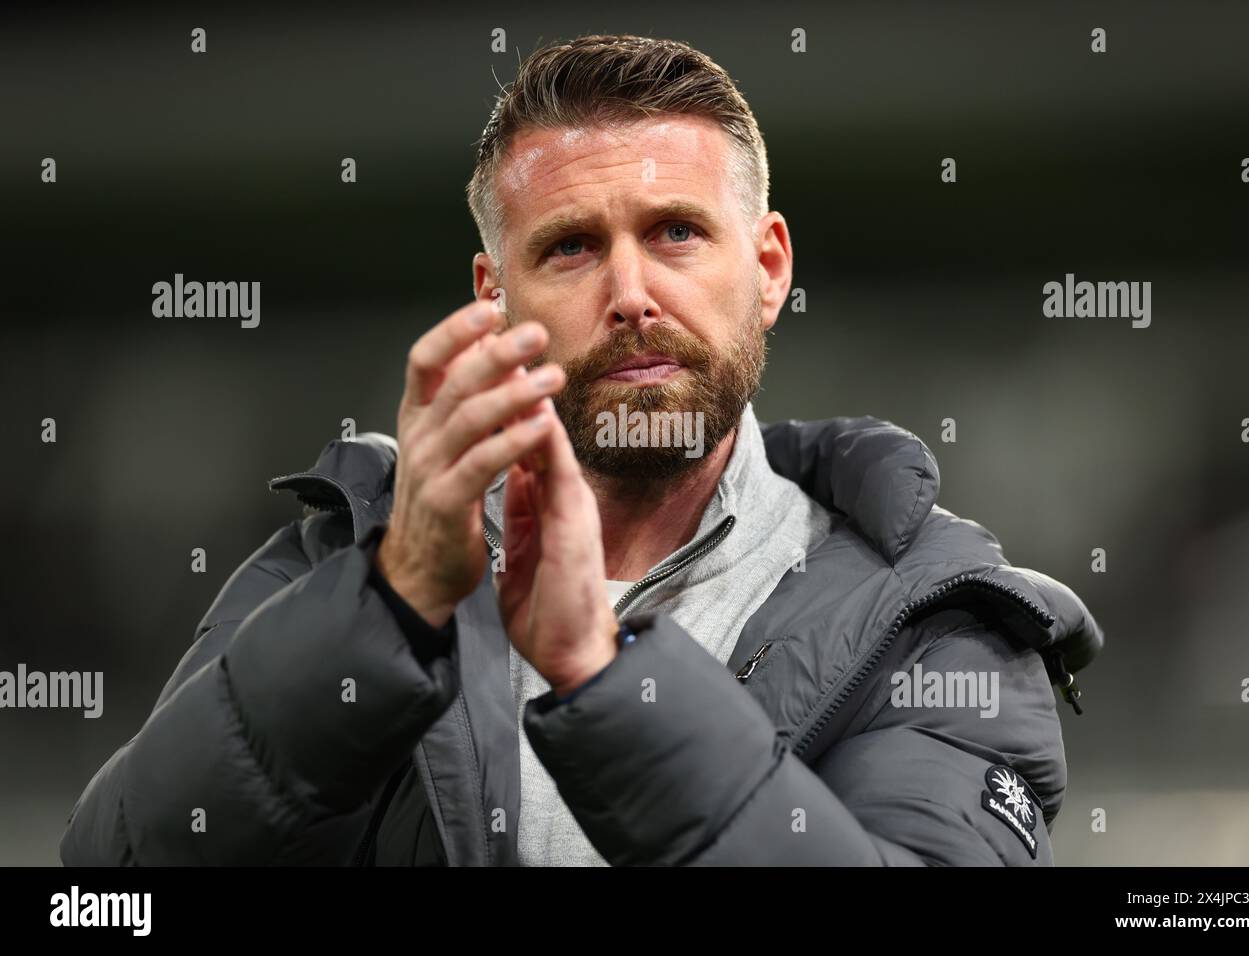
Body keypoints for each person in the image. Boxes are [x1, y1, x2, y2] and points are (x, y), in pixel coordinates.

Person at [60, 33, 1102, 867]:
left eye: (676, 232)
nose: (631, 293)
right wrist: (388, 607)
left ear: (769, 264)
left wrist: (601, 678)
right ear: (492, 295)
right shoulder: (339, 565)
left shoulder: (937, 624)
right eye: (569, 246)